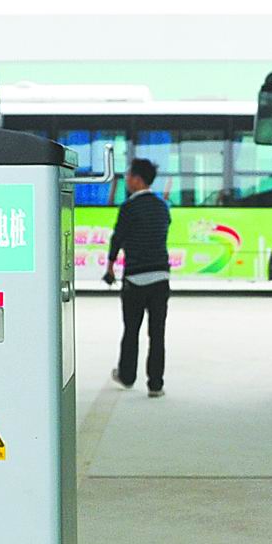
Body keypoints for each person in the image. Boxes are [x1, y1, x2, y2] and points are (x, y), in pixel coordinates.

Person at [102, 157, 171, 398]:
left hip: (136, 277)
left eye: (129, 175)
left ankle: (127, 376)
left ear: (138, 180)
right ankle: (156, 384)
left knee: (131, 330)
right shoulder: (162, 206)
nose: (127, 179)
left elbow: (118, 238)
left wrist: (110, 266)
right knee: (157, 333)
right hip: (161, 277)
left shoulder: (129, 208)